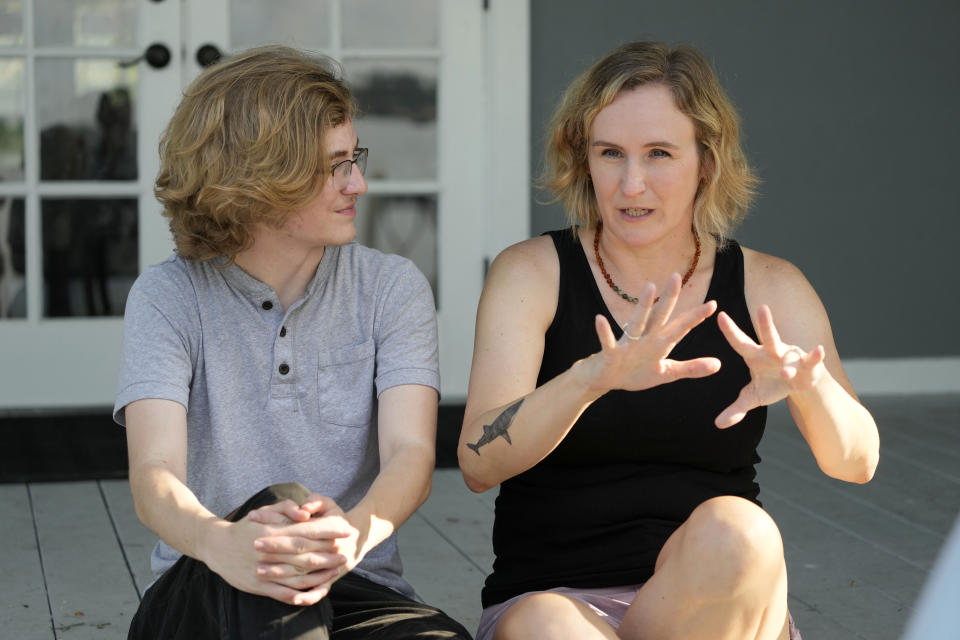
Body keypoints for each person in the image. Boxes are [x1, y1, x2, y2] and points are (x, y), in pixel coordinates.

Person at [458, 41, 879, 640]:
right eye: (611, 154)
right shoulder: (532, 273)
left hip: (713, 607)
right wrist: (590, 379)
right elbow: (477, 461)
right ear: (584, 160)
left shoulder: (770, 285)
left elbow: (858, 462)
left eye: (659, 153)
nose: (632, 184)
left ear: (707, 161)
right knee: (547, 627)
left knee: (744, 531)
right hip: (560, 599)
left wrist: (811, 388)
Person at [114, 45, 471, 640]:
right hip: (205, 584)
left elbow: (411, 452)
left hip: (355, 583)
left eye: (354, 158)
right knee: (277, 525)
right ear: (260, 177)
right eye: (334, 165)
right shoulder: (168, 297)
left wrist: (353, 534)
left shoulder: (391, 287)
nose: (357, 182)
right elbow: (154, 475)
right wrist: (221, 540)